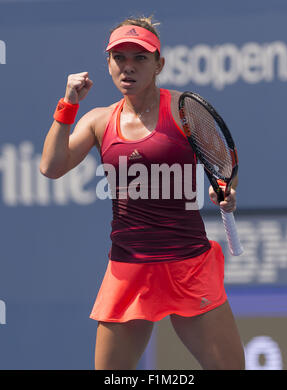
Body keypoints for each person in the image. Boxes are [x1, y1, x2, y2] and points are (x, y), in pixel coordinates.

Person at [40, 16, 245, 370]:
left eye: (140, 58)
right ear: (108, 64)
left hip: (188, 266)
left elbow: (223, 169)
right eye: (119, 58)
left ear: (159, 65)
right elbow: (52, 167)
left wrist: (225, 191)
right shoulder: (98, 120)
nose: (128, 67)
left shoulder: (184, 111)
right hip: (129, 270)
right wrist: (67, 105)